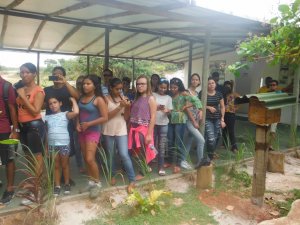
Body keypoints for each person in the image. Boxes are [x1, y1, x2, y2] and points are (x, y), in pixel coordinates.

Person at [16, 63, 46, 205]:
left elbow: (35, 111)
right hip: (23, 127)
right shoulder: (21, 89)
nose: (23, 75)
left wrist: (23, 97)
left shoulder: (38, 90)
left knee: (37, 157)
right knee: (28, 157)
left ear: (34, 74)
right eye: (21, 72)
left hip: (34, 125)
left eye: (27, 72)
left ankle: (37, 189)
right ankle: (32, 187)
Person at [44, 66, 79, 185]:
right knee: (51, 149)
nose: (57, 76)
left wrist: (65, 83)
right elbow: (43, 105)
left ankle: (66, 178)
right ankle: (55, 178)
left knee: (66, 151)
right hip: (51, 122)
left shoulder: (68, 88)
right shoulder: (47, 90)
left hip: (66, 121)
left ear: (64, 76)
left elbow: (77, 96)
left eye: (60, 74)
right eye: (54, 74)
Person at [102, 78, 136, 193]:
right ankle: (111, 174)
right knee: (110, 154)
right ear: (110, 88)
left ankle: (132, 179)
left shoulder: (124, 98)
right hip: (108, 129)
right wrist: (119, 107)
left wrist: (127, 107)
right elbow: (106, 117)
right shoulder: (105, 99)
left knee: (124, 154)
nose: (120, 91)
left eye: (121, 89)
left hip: (121, 129)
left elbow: (126, 118)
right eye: (117, 89)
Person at [77, 74, 108, 197]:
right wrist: (76, 124)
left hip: (93, 131)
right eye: (84, 83)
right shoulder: (81, 97)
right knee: (85, 158)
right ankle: (91, 182)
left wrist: (89, 123)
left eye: (88, 83)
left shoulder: (99, 99)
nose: (85, 86)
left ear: (95, 86)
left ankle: (97, 184)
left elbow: (105, 117)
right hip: (82, 131)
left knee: (90, 158)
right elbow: (78, 114)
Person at [45, 96, 79, 196]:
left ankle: (67, 183)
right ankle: (57, 186)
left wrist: (73, 100)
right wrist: (46, 146)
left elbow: (76, 112)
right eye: (50, 104)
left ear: (60, 103)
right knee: (55, 166)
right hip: (52, 145)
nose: (52, 105)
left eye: (55, 102)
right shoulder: (47, 117)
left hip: (64, 144)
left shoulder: (65, 114)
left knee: (65, 165)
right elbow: (46, 133)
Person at [168, 78, 202, 173]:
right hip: (171, 120)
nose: (172, 89)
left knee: (178, 142)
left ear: (179, 87)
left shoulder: (183, 94)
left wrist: (188, 106)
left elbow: (197, 102)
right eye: (171, 87)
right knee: (170, 141)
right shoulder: (170, 95)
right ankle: (170, 161)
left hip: (180, 120)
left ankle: (178, 164)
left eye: (175, 87)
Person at [128, 75, 157, 180]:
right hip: (134, 128)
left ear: (147, 85)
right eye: (138, 84)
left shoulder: (151, 98)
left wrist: (149, 134)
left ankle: (142, 172)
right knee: (139, 151)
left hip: (143, 129)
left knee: (143, 151)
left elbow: (153, 116)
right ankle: (146, 167)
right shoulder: (137, 97)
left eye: (142, 84)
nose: (140, 86)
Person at [0, 75, 19, 204]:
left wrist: (15, 130)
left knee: (8, 159)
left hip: (4, 129)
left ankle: (10, 188)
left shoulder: (6, 86)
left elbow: (12, 108)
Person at [199, 77, 226, 160]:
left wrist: (222, 119)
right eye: (209, 83)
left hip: (217, 118)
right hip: (207, 118)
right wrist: (208, 107)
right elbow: (198, 105)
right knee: (211, 138)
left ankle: (211, 153)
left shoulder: (219, 94)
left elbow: (222, 107)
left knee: (217, 136)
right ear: (206, 85)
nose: (211, 85)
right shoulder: (202, 93)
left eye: (212, 83)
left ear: (215, 84)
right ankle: (209, 158)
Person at [184, 73, 205, 168]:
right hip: (189, 120)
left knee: (188, 142)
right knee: (201, 141)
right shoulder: (187, 92)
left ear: (199, 82)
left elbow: (198, 106)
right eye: (193, 79)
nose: (194, 81)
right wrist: (194, 121)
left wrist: (200, 112)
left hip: (195, 120)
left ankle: (182, 161)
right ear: (190, 80)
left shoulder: (197, 93)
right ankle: (201, 162)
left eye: (196, 79)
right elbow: (186, 108)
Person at [152, 78, 173, 176]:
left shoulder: (169, 98)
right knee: (151, 145)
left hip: (164, 124)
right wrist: (156, 108)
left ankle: (161, 167)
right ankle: (148, 164)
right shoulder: (152, 95)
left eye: (165, 88)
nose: (163, 89)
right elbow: (148, 109)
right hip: (153, 124)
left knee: (162, 146)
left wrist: (167, 111)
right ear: (157, 86)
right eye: (161, 87)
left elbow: (170, 112)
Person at [222, 80, 240, 152]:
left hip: (231, 114)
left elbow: (240, 101)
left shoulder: (234, 94)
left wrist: (236, 108)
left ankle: (234, 146)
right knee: (224, 130)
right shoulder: (223, 94)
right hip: (223, 114)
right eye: (226, 86)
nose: (227, 87)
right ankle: (224, 144)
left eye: (229, 86)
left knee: (231, 131)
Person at [74, 75, 85, 173]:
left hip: (88, 122)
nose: (80, 85)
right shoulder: (74, 94)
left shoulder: (89, 94)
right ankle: (80, 165)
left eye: (82, 83)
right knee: (77, 146)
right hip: (76, 122)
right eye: (78, 83)